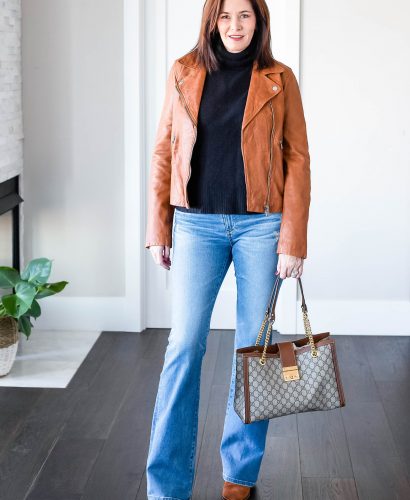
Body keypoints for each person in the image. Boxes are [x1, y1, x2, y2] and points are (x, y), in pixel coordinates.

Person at [144, 0, 311, 498]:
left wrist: (293, 239)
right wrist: (160, 227)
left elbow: (297, 159)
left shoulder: (280, 78)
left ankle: (239, 473)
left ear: (259, 21)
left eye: (245, 16)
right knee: (183, 347)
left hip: (263, 227)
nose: (235, 26)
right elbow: (164, 148)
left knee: (255, 351)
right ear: (211, 21)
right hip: (196, 225)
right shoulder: (184, 71)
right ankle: (167, 483)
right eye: (225, 16)